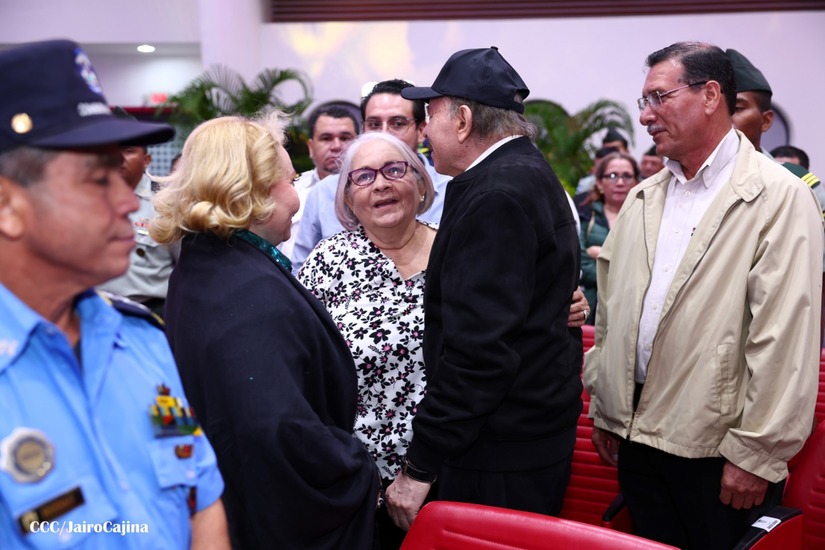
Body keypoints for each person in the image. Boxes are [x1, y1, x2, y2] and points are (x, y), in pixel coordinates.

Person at [584, 41, 823, 549]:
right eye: (643, 101)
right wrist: (606, 410)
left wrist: (756, 453)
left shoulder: (779, 197)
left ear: (711, 95)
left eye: (659, 98)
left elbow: (784, 338)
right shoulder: (645, 197)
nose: (645, 116)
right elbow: (613, 314)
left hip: (719, 452)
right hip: (637, 438)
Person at [0, 39, 229, 548]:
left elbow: (201, 501)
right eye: (96, 180)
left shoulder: (140, 342)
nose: (127, 202)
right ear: (7, 206)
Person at [150, 113, 379, 549]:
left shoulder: (203, 265)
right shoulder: (246, 290)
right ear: (251, 191)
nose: (296, 197)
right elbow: (275, 430)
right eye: (290, 181)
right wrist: (352, 467)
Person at [385, 47, 583, 531]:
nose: (423, 130)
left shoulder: (496, 195)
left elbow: (479, 354)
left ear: (463, 120)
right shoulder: (523, 171)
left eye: (430, 115)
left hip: (499, 452)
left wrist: (419, 467)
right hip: (526, 436)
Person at [290, 79, 451, 274]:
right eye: (374, 124)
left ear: (421, 130)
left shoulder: (452, 191)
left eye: (398, 124)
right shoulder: (324, 192)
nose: (384, 133)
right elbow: (300, 272)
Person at [99, 109, 177, 318]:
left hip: (149, 313)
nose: (118, 158)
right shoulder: (82, 200)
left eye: (128, 151)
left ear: (146, 160)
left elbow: (186, 267)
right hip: (94, 312)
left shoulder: (166, 204)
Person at [278, 104, 359, 258]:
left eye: (345, 138)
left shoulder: (375, 191)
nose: (336, 146)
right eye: (326, 138)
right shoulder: (291, 189)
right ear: (311, 147)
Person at [578, 152, 640, 324]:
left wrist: (600, 253)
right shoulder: (585, 215)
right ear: (599, 182)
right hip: (591, 308)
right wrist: (622, 270)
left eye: (627, 176)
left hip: (630, 309)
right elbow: (580, 263)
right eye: (612, 176)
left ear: (636, 181)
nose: (620, 182)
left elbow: (644, 265)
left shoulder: (646, 217)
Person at [726, 48, 774, 155]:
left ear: (766, 121)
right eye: (717, 110)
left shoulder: (785, 169)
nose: (723, 118)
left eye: (737, 108)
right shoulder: (692, 166)